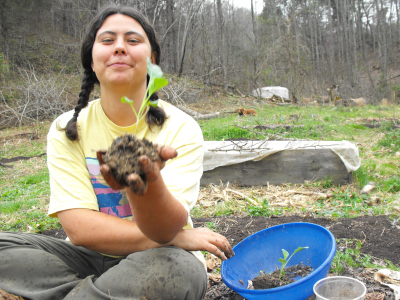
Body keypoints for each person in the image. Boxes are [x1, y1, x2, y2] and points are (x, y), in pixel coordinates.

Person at [0, 5, 234, 300]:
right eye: (108, 40)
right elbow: (80, 230)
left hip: (160, 258)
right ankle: (94, 293)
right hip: (85, 260)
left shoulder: (181, 129)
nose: (120, 47)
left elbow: (163, 230)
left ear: (152, 61)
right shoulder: (68, 128)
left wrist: (146, 185)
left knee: (176, 273)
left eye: (133, 41)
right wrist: (180, 237)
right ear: (92, 60)